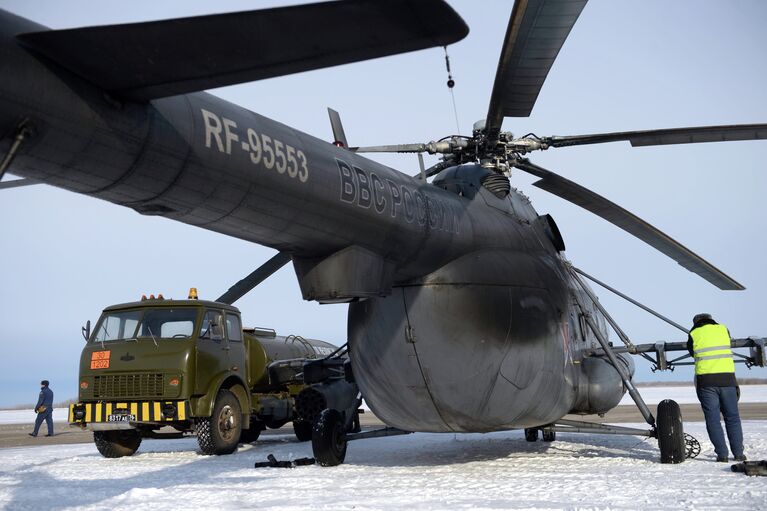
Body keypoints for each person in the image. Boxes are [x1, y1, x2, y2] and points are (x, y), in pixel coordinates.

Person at [687, 313, 745, 462]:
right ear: (711, 320)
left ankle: (722, 455)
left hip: (706, 382)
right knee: (732, 418)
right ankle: (738, 453)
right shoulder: (723, 329)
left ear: (696, 322)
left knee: (713, 420)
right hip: (728, 380)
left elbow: (692, 352)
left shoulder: (694, 333)